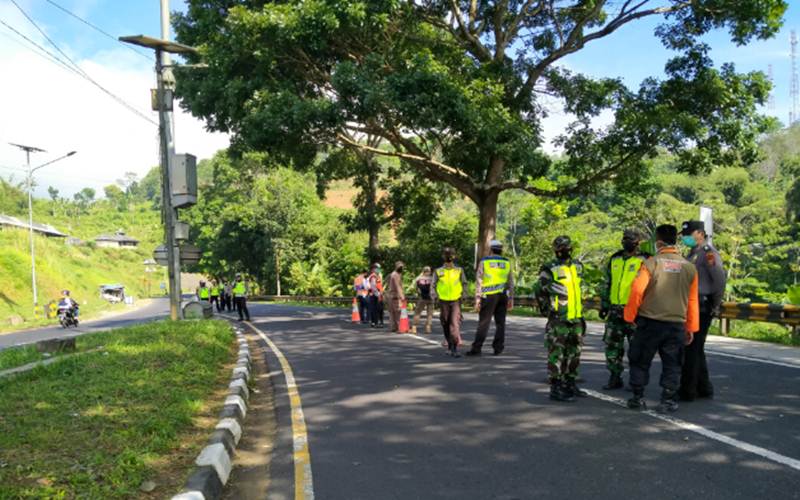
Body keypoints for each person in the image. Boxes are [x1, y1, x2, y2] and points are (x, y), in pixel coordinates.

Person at [624, 224, 699, 413]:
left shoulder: (651, 263)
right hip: (676, 324)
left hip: (650, 322)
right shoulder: (690, 268)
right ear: (675, 240)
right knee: (673, 363)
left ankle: (637, 397)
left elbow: (637, 291)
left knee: (640, 359)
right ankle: (668, 399)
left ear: (658, 242)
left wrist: (630, 316)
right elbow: (692, 301)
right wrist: (691, 328)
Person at [534, 236, 586, 402]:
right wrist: (545, 309)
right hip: (559, 318)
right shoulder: (550, 268)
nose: (564, 250)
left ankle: (570, 383)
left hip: (576, 317)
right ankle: (556, 387)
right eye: (561, 247)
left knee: (574, 353)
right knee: (557, 354)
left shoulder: (578, 266)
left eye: (566, 246)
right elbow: (539, 289)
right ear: (556, 250)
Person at [679, 220, 726, 401]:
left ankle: (688, 390)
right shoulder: (692, 254)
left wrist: (715, 305)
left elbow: (719, 281)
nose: (685, 238)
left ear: (699, 233)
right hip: (691, 305)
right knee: (696, 348)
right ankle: (704, 387)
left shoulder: (708, 254)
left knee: (691, 348)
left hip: (702, 305)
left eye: (688, 234)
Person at [599, 229, 650, 390]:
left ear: (638, 242)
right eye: (624, 239)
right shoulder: (615, 259)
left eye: (630, 239)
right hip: (615, 310)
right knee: (612, 345)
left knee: (637, 348)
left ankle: (636, 380)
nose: (625, 241)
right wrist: (604, 304)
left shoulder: (645, 260)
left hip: (636, 312)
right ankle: (615, 376)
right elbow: (607, 283)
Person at [466, 239, 513, 357]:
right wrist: (511, 298)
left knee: (484, 322)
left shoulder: (485, 261)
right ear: (501, 250)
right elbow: (510, 281)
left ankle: (477, 348)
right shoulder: (507, 262)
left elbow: (479, 280)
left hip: (489, 296)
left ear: (491, 249)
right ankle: (498, 348)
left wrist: (477, 298)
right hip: (503, 295)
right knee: (500, 323)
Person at [431, 248, 469, 357]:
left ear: (454, 256)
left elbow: (464, 283)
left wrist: (464, 295)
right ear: (443, 256)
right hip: (443, 301)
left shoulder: (459, 270)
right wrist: (435, 296)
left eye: (451, 255)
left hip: (456, 300)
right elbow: (433, 285)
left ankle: (454, 348)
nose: (449, 257)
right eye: (447, 255)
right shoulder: (438, 271)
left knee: (454, 323)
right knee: (445, 322)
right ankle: (449, 345)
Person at [412, 266, 434, 334]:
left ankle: (414, 327)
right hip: (430, 298)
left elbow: (416, 288)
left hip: (422, 297)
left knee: (417, 313)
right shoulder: (432, 279)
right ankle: (428, 328)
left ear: (423, 271)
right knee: (429, 314)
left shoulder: (419, 279)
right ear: (429, 271)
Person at [386, 261, 406, 333]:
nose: (401, 268)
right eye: (400, 267)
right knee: (398, 312)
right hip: (395, 295)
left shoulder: (392, 274)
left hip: (390, 295)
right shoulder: (396, 275)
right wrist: (402, 296)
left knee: (392, 312)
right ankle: (399, 327)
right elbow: (398, 286)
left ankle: (393, 327)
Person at [367, 263, 385, 328]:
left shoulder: (379, 275)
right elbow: (373, 286)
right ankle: (374, 322)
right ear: (374, 269)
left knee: (380, 309)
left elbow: (380, 285)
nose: (379, 269)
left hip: (379, 294)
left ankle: (380, 322)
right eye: (377, 268)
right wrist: (378, 294)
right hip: (375, 295)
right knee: (374, 309)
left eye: (379, 268)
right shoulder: (373, 276)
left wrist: (381, 293)